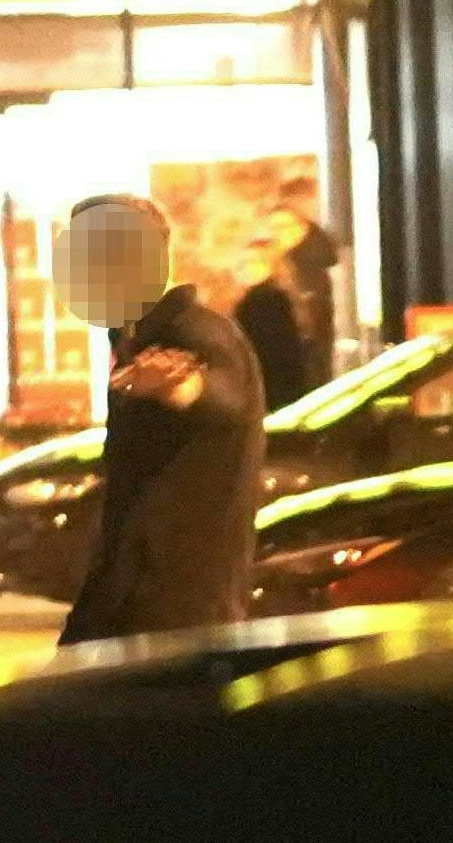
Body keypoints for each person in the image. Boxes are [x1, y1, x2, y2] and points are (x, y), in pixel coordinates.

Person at [54, 194, 266, 646]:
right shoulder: (135, 337)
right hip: (126, 590)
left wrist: (183, 389)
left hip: (174, 607)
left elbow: (225, 401)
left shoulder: (194, 332)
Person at [234, 207, 338, 407]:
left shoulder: (264, 302)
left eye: (256, 261)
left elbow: (278, 362)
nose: (278, 233)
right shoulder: (274, 297)